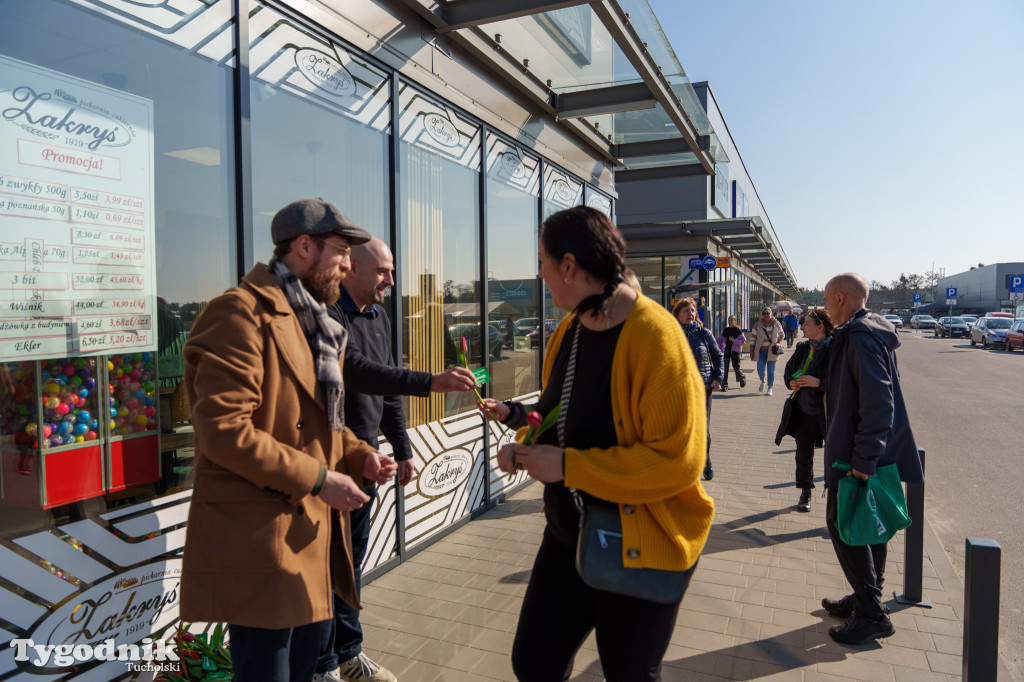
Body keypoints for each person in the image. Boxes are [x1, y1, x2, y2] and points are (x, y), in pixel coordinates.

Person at [478, 206, 713, 681]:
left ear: (569, 265)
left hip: (643, 541)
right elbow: (551, 410)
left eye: (542, 263)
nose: (539, 273)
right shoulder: (569, 328)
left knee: (628, 673)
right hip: (569, 535)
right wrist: (524, 443)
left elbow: (679, 461)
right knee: (534, 662)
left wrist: (567, 466)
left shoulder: (656, 335)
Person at [181, 198, 397, 681]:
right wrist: (321, 480)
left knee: (306, 671)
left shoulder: (320, 325)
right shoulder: (237, 315)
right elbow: (223, 431)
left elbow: (324, 426)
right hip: (262, 542)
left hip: (312, 540)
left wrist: (361, 457)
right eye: (340, 251)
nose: (347, 264)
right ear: (304, 247)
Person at [314, 238, 477, 682]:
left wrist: (401, 448)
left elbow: (386, 388)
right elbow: (357, 369)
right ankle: (322, 665)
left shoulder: (379, 315)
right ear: (353, 270)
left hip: (367, 460)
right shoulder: (329, 315)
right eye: (383, 271)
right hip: (330, 463)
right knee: (329, 569)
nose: (390, 279)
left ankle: (348, 655)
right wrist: (431, 382)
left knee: (352, 567)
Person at [820, 273, 924, 645]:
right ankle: (868, 597)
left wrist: (863, 460)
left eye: (827, 301)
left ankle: (871, 613)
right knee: (868, 526)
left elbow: (879, 404)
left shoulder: (861, 337)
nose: (826, 308)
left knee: (841, 524)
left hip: (857, 458)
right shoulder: (861, 331)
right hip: (862, 453)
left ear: (841, 297)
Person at [776, 309, 834, 512]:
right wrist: (791, 382)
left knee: (835, 457)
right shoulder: (802, 347)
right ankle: (805, 492)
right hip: (803, 411)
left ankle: (837, 498)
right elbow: (789, 371)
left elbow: (843, 381)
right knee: (803, 455)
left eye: (806, 323)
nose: (802, 327)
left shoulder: (835, 350)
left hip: (828, 414)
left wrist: (819, 382)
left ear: (820, 327)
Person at [673, 298, 724, 481]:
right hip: (679, 389)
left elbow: (718, 355)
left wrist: (719, 378)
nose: (691, 314)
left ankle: (705, 460)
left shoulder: (703, 333)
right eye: (686, 311)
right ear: (677, 315)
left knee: (703, 429)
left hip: (703, 387)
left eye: (693, 311)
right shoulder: (671, 333)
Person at [749, 307, 785, 396]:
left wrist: (779, 343)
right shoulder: (757, 325)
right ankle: (763, 380)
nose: (766, 315)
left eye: (768, 313)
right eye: (764, 313)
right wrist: (752, 352)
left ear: (771, 314)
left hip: (772, 351)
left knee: (771, 371)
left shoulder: (776, 323)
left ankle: (770, 388)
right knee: (760, 369)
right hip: (761, 351)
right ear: (762, 315)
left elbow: (782, 335)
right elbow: (753, 339)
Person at [716, 315, 746, 392]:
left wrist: (733, 340)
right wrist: (712, 341)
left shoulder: (738, 330)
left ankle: (742, 378)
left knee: (736, 368)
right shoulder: (726, 330)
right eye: (729, 320)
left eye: (732, 320)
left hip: (735, 351)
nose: (730, 321)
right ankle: (724, 385)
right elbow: (720, 339)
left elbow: (742, 341)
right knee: (725, 368)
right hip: (727, 350)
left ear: (735, 321)